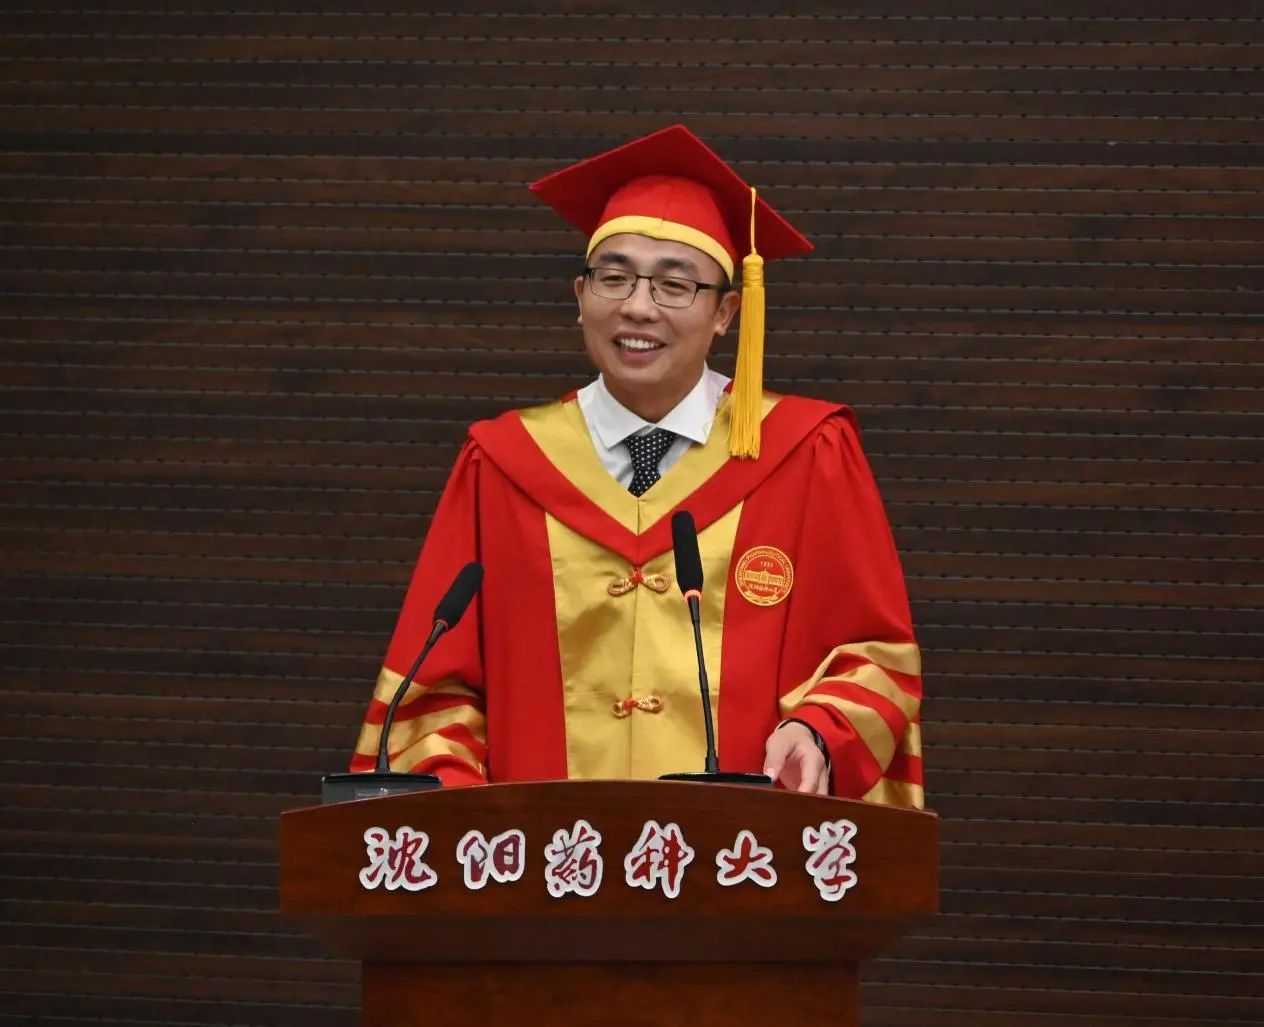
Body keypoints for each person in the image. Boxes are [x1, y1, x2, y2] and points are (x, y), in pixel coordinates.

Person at [350, 125, 923, 808]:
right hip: (547, 858)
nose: (638, 307)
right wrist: (473, 814)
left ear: (726, 312)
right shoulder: (502, 464)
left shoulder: (805, 452)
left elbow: (873, 655)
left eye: (675, 284)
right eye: (613, 277)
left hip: (739, 853)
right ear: (579, 295)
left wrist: (819, 731)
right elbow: (433, 693)